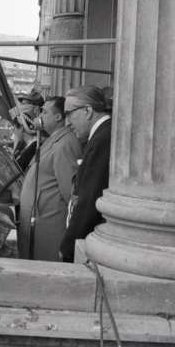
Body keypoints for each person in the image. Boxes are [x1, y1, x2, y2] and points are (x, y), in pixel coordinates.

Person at [18, 96, 81, 261]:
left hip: (49, 225)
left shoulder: (65, 144)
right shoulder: (53, 140)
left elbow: (69, 193)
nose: (41, 116)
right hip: (38, 223)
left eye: (45, 112)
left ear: (58, 117)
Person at [60, 86, 112, 262]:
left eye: (69, 114)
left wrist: (68, 246)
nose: (67, 122)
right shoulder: (101, 135)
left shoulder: (103, 138)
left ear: (88, 111)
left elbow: (89, 199)